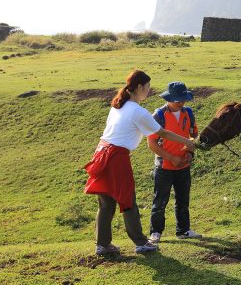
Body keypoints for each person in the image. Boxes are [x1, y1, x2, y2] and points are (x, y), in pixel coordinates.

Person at [83, 70, 195, 255]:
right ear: (139, 87)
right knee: (127, 200)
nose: (149, 91)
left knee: (106, 204)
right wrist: (187, 142)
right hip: (116, 156)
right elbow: (163, 133)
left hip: (101, 152)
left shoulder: (118, 105)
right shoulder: (138, 111)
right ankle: (141, 242)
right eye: (147, 87)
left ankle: (102, 245)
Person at [147, 82, 202, 243]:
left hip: (184, 166)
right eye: (178, 100)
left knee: (183, 200)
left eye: (183, 99)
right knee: (160, 201)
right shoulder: (158, 116)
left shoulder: (189, 113)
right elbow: (151, 143)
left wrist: (190, 153)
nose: (181, 103)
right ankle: (155, 232)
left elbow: (194, 136)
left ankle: (183, 230)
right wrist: (172, 158)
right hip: (164, 167)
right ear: (169, 98)